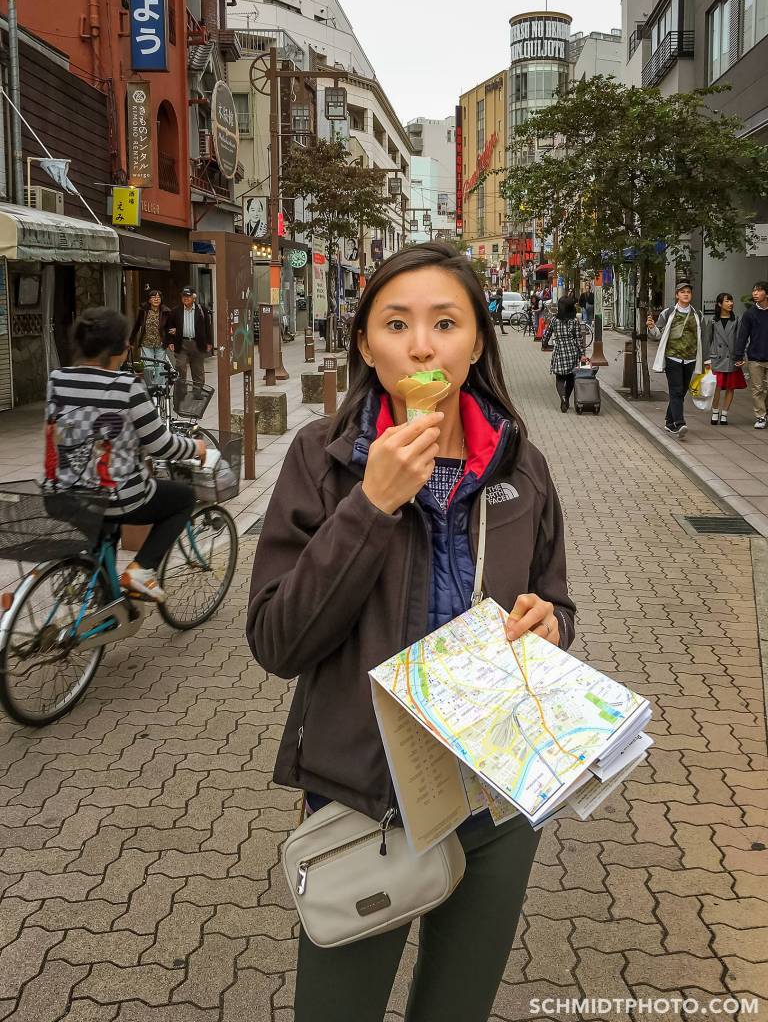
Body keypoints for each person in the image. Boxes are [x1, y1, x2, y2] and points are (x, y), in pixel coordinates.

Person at [246, 241, 575, 1022]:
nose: (421, 345)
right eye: (396, 323)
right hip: (363, 798)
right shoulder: (323, 461)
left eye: (445, 323)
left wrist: (550, 626)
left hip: (496, 793)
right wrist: (372, 503)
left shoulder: (519, 468)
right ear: (365, 342)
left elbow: (556, 602)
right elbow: (276, 640)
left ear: (476, 341)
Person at [45, 308, 205, 602]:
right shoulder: (126, 387)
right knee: (182, 497)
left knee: (104, 528)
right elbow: (161, 445)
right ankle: (141, 570)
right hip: (115, 496)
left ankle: (104, 596)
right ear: (118, 348)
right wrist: (195, 447)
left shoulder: (57, 380)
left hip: (63, 492)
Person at [647, 280, 706, 438]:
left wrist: (707, 359)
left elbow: (703, 338)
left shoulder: (697, 314)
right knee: (676, 390)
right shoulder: (668, 313)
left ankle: (669, 421)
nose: (686, 294)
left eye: (688, 292)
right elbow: (657, 335)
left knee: (682, 391)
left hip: (691, 358)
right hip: (673, 357)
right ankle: (680, 423)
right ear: (677, 295)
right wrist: (652, 328)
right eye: (682, 292)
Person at [165, 285, 213, 398]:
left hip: (197, 343)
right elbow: (169, 326)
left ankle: (197, 391)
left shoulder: (201, 310)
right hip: (181, 343)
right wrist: (170, 341)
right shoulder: (176, 311)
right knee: (180, 366)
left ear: (194, 297)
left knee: (198, 369)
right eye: (183, 296)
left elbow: (208, 327)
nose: (185, 298)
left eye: (188, 296)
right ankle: (181, 391)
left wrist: (209, 342)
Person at [706, 292, 745, 425]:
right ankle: (715, 411)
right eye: (727, 301)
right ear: (719, 304)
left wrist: (741, 356)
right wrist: (707, 359)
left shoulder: (737, 319)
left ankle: (725, 414)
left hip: (732, 358)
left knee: (730, 387)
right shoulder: (712, 320)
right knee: (716, 387)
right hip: (717, 357)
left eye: (731, 301)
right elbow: (707, 340)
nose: (731, 303)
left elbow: (741, 339)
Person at [735, 281, 768, 429]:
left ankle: (765, 412)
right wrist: (739, 355)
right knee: (757, 389)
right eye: (754, 291)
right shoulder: (750, 314)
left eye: (759, 290)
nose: (755, 293)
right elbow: (742, 336)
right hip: (755, 357)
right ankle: (760, 416)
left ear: (766, 294)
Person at [549, 296, 583, 412]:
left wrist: (544, 344)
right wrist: (582, 354)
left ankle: (563, 398)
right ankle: (567, 399)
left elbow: (547, 334)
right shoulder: (574, 321)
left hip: (559, 352)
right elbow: (579, 339)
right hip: (572, 352)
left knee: (559, 378)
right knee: (570, 378)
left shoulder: (554, 320)